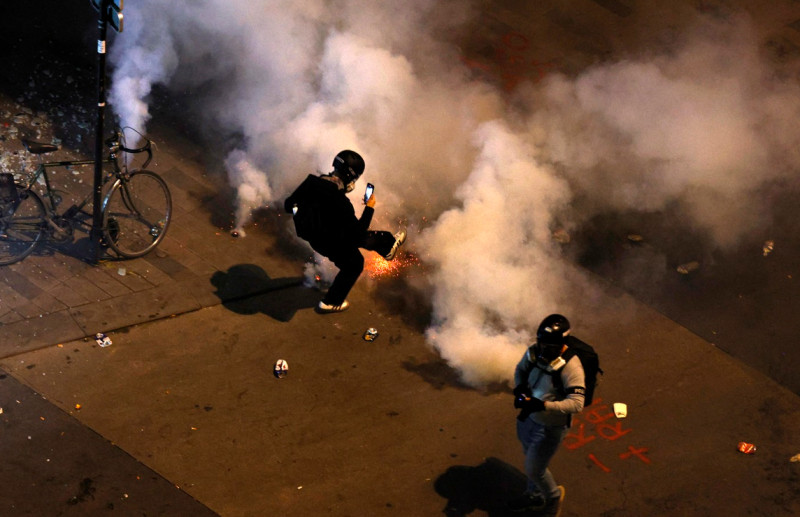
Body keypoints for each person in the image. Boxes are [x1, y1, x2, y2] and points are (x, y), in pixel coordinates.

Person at [283, 150, 406, 313]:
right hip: (331, 242)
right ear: (350, 177)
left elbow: (288, 206)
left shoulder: (311, 182)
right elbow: (359, 233)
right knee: (355, 261)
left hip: (316, 238)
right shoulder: (341, 203)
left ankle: (387, 247)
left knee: (352, 251)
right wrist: (369, 208)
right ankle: (332, 302)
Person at [508, 314, 586, 516]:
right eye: (542, 344)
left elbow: (577, 403)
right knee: (530, 460)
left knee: (535, 469)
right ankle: (533, 495)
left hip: (550, 428)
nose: (543, 351)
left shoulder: (572, 367)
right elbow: (520, 370)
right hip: (529, 420)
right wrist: (520, 389)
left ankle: (552, 499)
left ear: (561, 345)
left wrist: (542, 405)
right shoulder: (535, 352)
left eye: (550, 347)